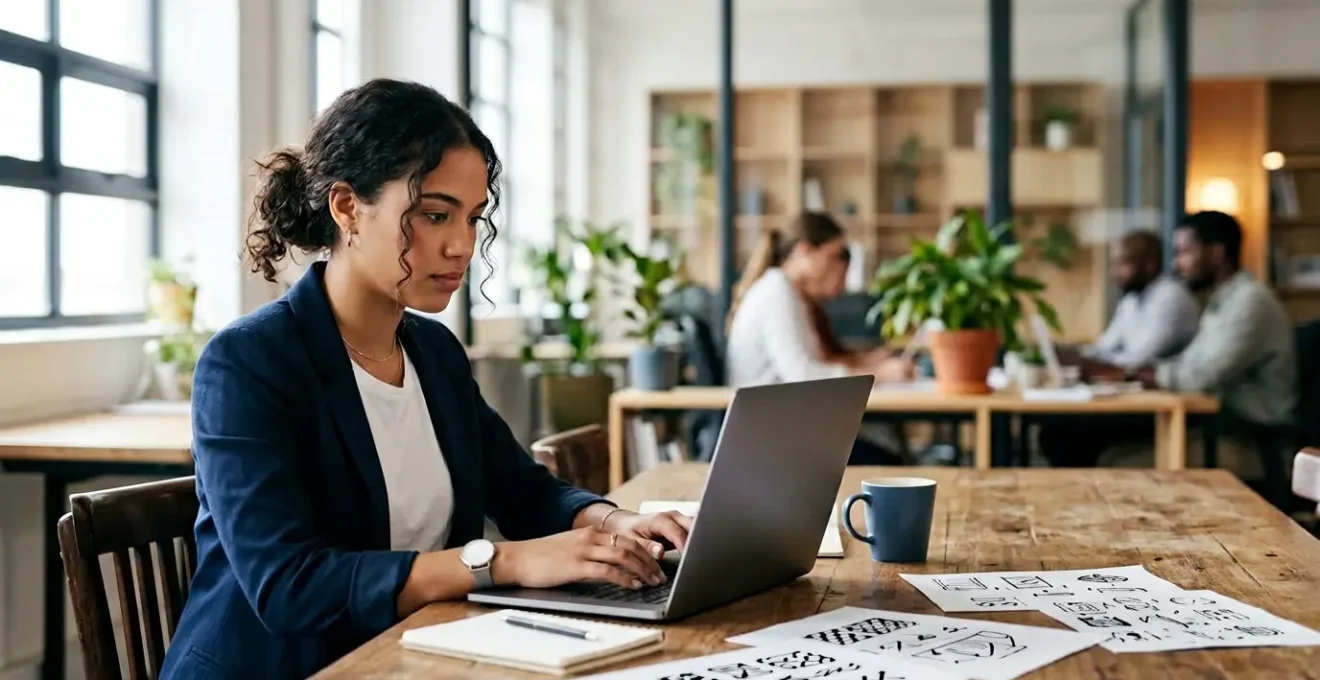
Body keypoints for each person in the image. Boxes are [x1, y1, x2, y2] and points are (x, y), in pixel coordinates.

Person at [159, 79, 692, 679]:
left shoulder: (433, 351)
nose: (461, 245)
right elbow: (290, 586)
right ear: (346, 208)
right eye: (435, 215)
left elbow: (522, 489)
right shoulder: (249, 363)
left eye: (473, 218)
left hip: (418, 653)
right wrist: (502, 563)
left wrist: (614, 522)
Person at [1042, 211, 1297, 468]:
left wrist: (1133, 375)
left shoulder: (1249, 302)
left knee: (1079, 438)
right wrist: (1134, 374)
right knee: (1069, 432)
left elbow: (1200, 377)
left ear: (1217, 253)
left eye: (1185, 252)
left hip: (1247, 428)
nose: (1176, 265)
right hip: (1212, 415)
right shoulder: (1222, 302)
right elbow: (1188, 365)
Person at [725, 212, 915, 464]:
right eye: (835, 256)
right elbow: (804, 377)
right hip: (774, 439)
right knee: (890, 463)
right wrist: (879, 374)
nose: (841, 267)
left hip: (785, 428)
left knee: (887, 452)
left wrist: (871, 363)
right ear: (804, 251)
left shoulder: (788, 293)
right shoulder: (776, 293)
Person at [1080, 230, 1200, 369]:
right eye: (1114, 264)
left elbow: (1141, 358)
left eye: (1122, 264)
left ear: (1150, 264)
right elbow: (1104, 346)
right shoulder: (1132, 299)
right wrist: (1077, 355)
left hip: (1175, 388)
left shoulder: (1171, 296)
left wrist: (1096, 362)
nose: (1114, 273)